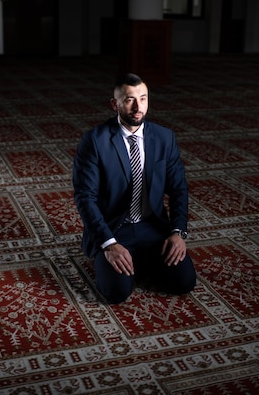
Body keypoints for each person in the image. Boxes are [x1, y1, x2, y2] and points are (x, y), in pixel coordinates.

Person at [72, 73, 197, 304]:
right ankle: (117, 259)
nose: (138, 107)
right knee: (116, 293)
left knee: (184, 283)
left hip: (152, 225)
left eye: (144, 98)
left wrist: (178, 232)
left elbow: (179, 189)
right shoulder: (95, 141)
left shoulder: (164, 138)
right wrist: (109, 244)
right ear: (115, 104)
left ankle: (142, 258)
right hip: (114, 229)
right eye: (130, 100)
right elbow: (85, 197)